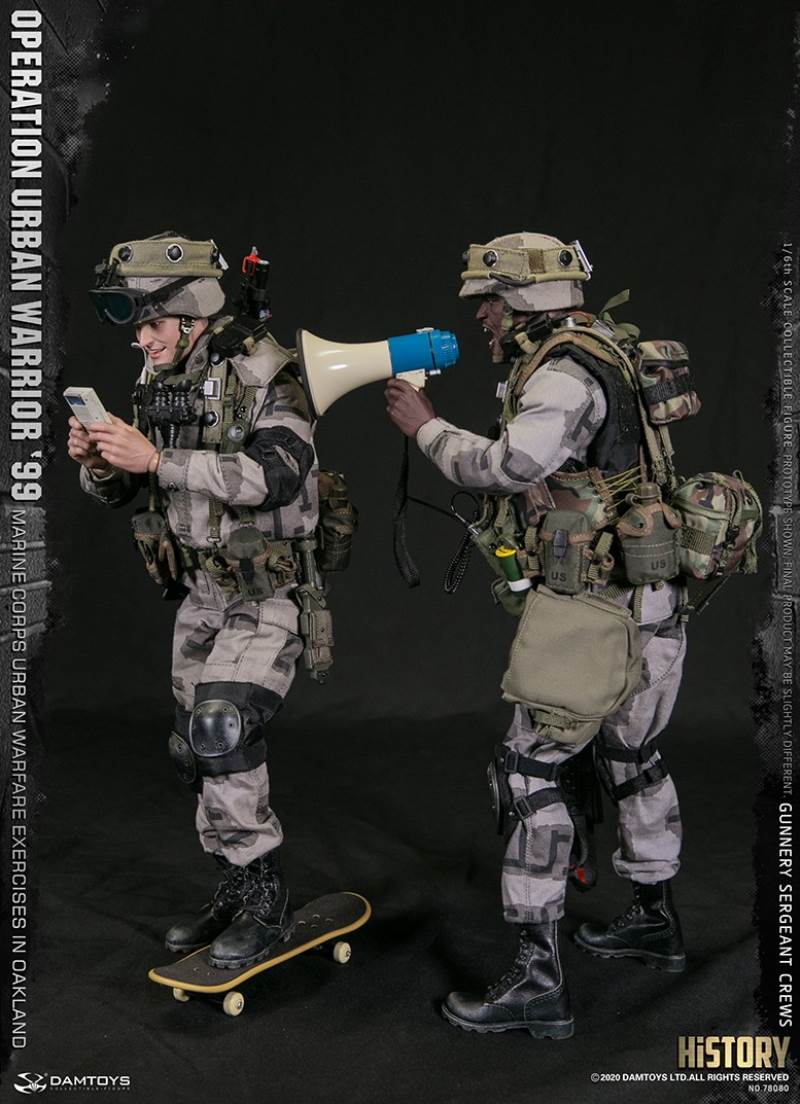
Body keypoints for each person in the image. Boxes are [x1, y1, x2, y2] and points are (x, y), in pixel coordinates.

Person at [386, 232, 688, 1039]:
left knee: (529, 774)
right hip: (652, 595)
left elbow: (509, 467)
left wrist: (426, 428)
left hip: (597, 612)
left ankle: (538, 980)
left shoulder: (561, 370)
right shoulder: (606, 348)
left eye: (488, 299)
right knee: (632, 756)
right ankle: (655, 918)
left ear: (522, 298)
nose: (481, 315)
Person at [68, 233, 319, 970]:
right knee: (192, 748)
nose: (143, 340)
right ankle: (235, 884)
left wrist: (158, 458)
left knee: (221, 728)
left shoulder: (266, 369)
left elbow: (278, 473)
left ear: (192, 312)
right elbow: (128, 490)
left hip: (267, 591)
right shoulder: (160, 374)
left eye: (153, 322)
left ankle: (266, 900)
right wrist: (102, 464)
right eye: (140, 326)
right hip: (201, 592)